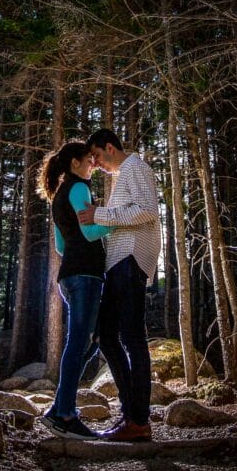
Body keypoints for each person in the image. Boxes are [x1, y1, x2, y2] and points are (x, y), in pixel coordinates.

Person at [77, 128, 161, 442]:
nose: (95, 163)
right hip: (118, 264)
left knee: (131, 338)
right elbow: (125, 215)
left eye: (97, 156)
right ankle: (133, 415)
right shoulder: (123, 174)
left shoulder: (134, 167)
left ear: (110, 148)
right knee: (106, 336)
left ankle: (138, 420)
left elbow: (147, 211)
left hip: (130, 261)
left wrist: (98, 213)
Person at [38, 140, 113, 440]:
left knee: (88, 343)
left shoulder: (58, 195)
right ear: (74, 163)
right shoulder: (80, 188)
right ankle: (65, 414)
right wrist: (117, 221)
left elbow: (60, 245)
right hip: (84, 276)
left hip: (69, 277)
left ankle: (59, 408)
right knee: (79, 342)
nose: (94, 163)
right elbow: (90, 230)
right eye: (89, 159)